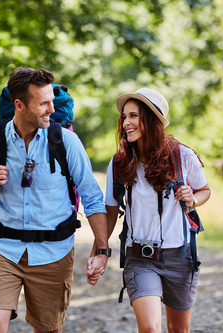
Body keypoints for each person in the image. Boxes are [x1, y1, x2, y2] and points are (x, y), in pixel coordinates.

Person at [0, 67, 110, 333]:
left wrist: (101, 250)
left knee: (48, 330)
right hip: (4, 250)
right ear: (19, 105)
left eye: (52, 101)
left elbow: (92, 198)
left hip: (53, 253)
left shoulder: (66, 141)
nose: (50, 109)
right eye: (43, 103)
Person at [87, 88, 211, 333]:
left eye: (134, 116)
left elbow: (205, 190)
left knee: (178, 330)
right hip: (140, 258)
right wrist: (99, 252)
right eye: (124, 117)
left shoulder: (183, 156)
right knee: (150, 328)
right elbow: (110, 210)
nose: (126, 123)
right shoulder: (120, 161)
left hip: (180, 256)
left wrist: (193, 198)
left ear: (151, 120)